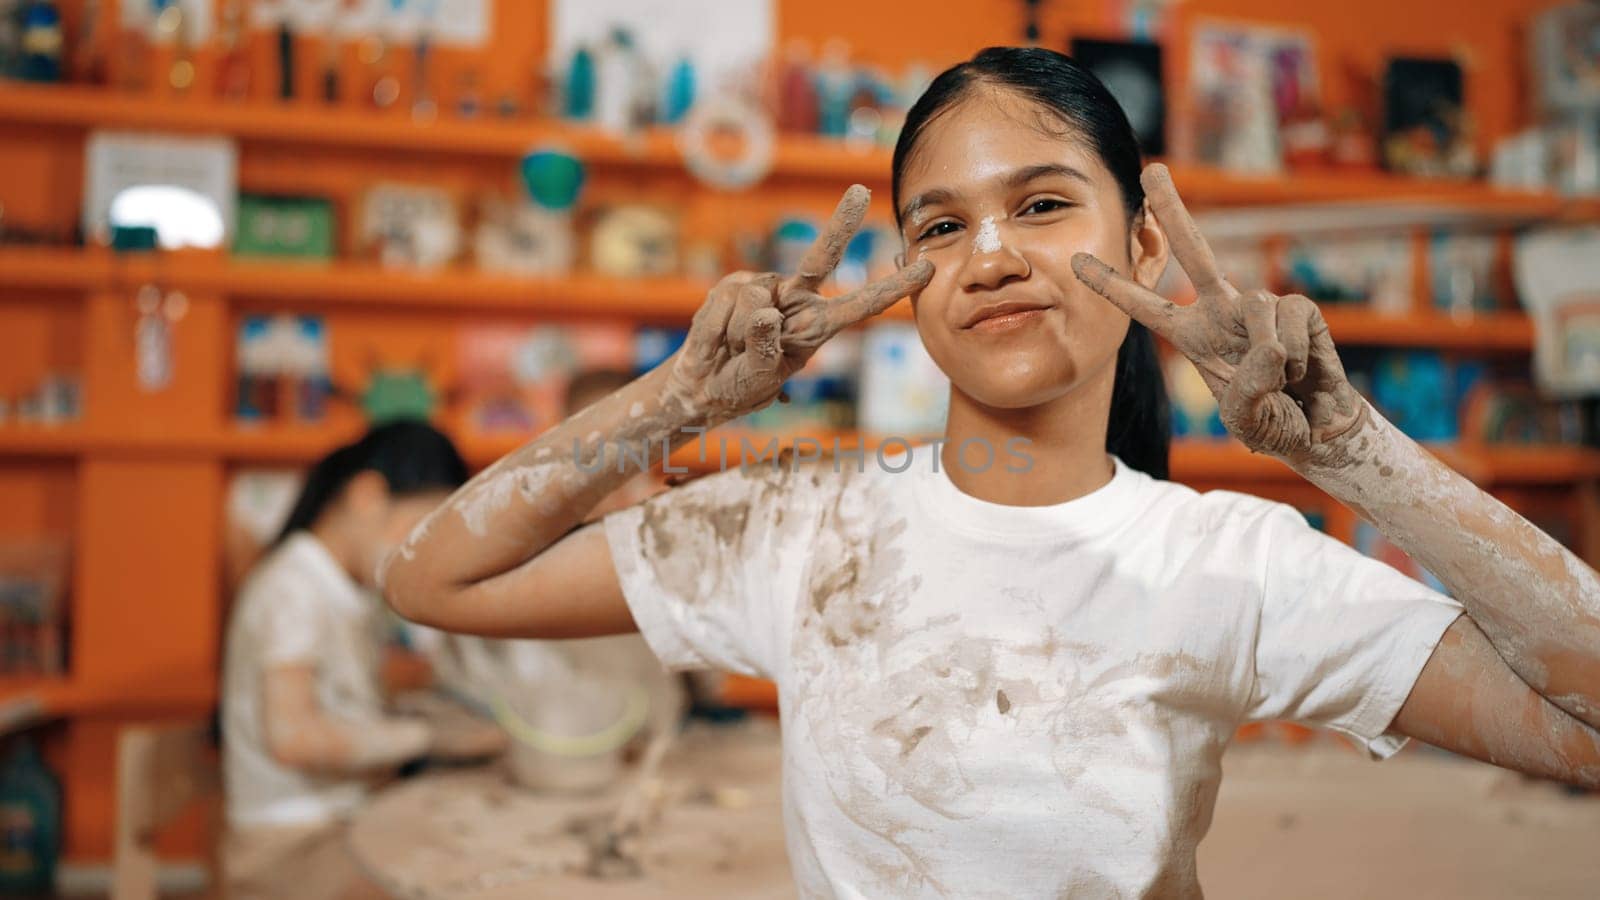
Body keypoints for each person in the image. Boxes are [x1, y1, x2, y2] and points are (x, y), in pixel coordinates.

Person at [380, 47, 1600, 898]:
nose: (992, 256)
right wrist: (680, 400)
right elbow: (431, 577)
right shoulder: (803, 525)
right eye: (942, 225)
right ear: (906, 277)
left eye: (1042, 205)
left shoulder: (1232, 562)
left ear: (1138, 245)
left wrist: (1352, 452)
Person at [221, 420, 501, 899]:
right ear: (367, 495)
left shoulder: (345, 590)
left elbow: (351, 696)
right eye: (420, 531)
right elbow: (293, 738)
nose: (420, 555)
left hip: (342, 821)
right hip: (287, 844)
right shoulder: (292, 587)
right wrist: (428, 738)